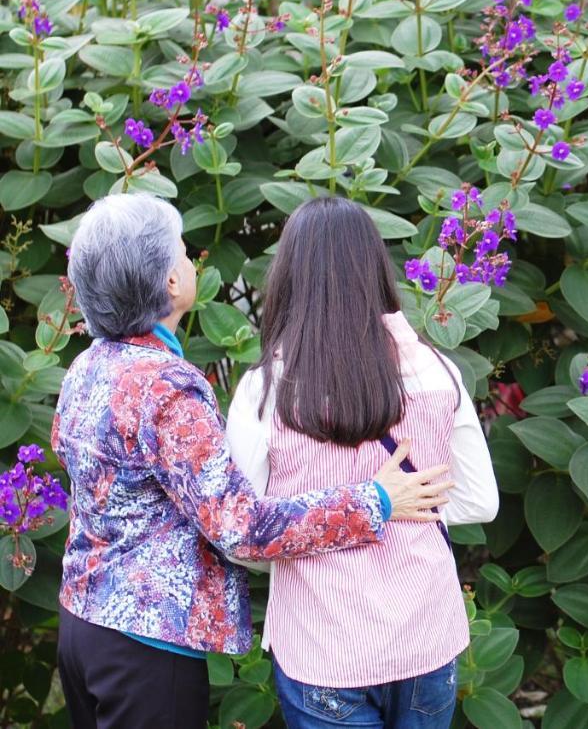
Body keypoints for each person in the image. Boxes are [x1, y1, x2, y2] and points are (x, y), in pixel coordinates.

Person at [53, 193, 453, 729]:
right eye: (181, 251)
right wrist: (375, 499)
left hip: (82, 621)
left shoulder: (87, 368)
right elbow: (240, 526)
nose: (191, 258)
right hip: (143, 643)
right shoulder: (166, 387)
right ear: (170, 282)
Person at [225, 196, 500, 728]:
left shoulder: (265, 389)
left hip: (323, 643)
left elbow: (245, 535)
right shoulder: (437, 371)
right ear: (376, 269)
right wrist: (401, 510)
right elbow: (479, 501)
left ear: (288, 278)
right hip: (425, 635)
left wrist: (305, 549)